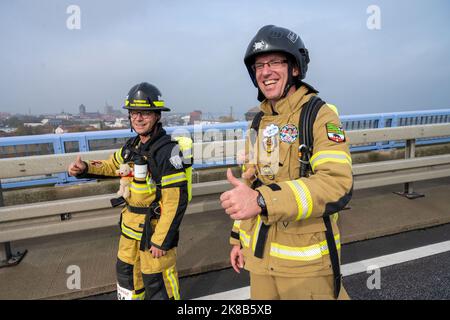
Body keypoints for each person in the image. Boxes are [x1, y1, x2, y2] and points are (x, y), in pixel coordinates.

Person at [220, 25, 353, 300]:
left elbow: (336, 184)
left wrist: (262, 201)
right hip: (260, 259)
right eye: (258, 66)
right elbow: (249, 185)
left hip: (306, 266)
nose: (264, 72)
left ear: (294, 67)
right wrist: (237, 240)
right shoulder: (258, 121)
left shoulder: (319, 115)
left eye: (274, 62)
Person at [68, 82, 191, 300]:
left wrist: (161, 241)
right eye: (134, 113)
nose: (138, 118)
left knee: (158, 285)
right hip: (129, 231)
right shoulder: (131, 146)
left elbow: (175, 201)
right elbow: (110, 165)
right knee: (128, 280)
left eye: (145, 113)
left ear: (157, 116)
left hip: (153, 234)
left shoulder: (167, 151)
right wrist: (85, 168)